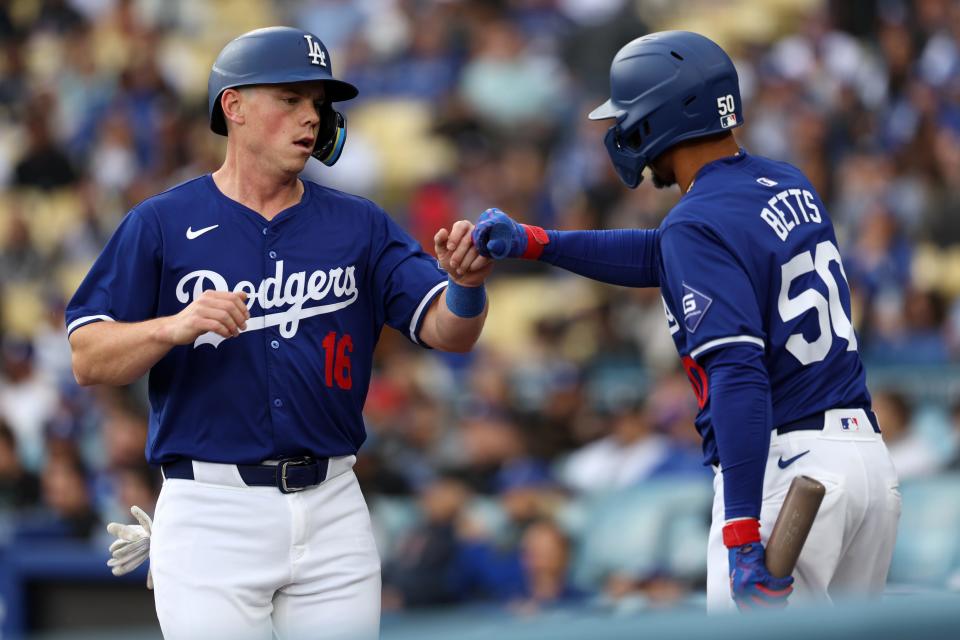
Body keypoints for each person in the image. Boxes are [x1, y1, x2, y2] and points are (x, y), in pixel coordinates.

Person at [66, 26, 492, 640]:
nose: (310, 117)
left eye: (317, 103)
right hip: (214, 508)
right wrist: (172, 326)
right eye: (290, 99)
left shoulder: (359, 223)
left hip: (333, 503)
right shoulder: (162, 222)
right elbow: (86, 356)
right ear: (233, 106)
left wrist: (466, 285)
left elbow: (449, 332)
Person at [470, 30, 900, 612]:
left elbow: (739, 373)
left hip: (785, 471)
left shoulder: (695, 223)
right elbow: (661, 253)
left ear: (660, 118)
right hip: (865, 464)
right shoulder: (787, 181)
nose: (622, 133)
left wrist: (743, 533)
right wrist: (537, 242)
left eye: (628, 118)